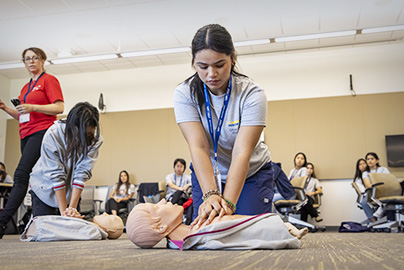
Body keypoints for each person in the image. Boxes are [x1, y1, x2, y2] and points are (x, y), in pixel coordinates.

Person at [173, 24, 273, 228]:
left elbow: (241, 152)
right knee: (206, 230)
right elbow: (198, 146)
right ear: (193, 63)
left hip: (251, 173)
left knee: (249, 231)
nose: (212, 74)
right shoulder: (184, 94)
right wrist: (210, 195)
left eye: (219, 65)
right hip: (208, 171)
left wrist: (227, 204)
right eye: (203, 66)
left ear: (233, 57)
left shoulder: (252, 95)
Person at [0, 47, 64, 238]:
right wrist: (5, 108)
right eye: (27, 59)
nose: (31, 61)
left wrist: (32, 106)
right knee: (33, 179)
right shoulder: (25, 87)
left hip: (42, 132)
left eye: (35, 58)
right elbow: (23, 114)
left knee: (20, 175)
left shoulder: (49, 80)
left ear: (43, 60)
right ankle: (37, 219)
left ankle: (2, 222)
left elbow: (59, 107)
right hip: (25, 134)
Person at [126, 199, 307, 250]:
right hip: (269, 229)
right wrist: (272, 221)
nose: (164, 200)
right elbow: (230, 222)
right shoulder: (197, 232)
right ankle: (284, 228)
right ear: (160, 228)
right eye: (157, 207)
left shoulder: (178, 239)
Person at [29, 102, 102, 219]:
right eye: (83, 134)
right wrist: (64, 212)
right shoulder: (54, 134)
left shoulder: (95, 139)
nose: (86, 138)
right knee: (45, 233)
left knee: (71, 232)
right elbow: (56, 175)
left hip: (70, 192)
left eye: (89, 133)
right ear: (73, 127)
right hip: (45, 188)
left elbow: (82, 173)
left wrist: (71, 209)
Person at [362, 152, 391, 220]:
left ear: (377, 160)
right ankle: (374, 221)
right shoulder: (365, 173)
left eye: (372, 159)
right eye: (368, 159)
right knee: (364, 201)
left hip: (386, 191)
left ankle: (382, 209)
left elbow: (389, 181)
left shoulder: (383, 169)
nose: (370, 161)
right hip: (374, 193)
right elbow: (368, 185)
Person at [352, 158, 376, 223]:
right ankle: (374, 221)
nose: (362, 165)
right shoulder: (358, 179)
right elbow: (363, 191)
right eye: (360, 164)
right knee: (364, 202)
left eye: (364, 163)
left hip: (378, 193)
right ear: (358, 167)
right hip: (368, 195)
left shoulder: (372, 174)